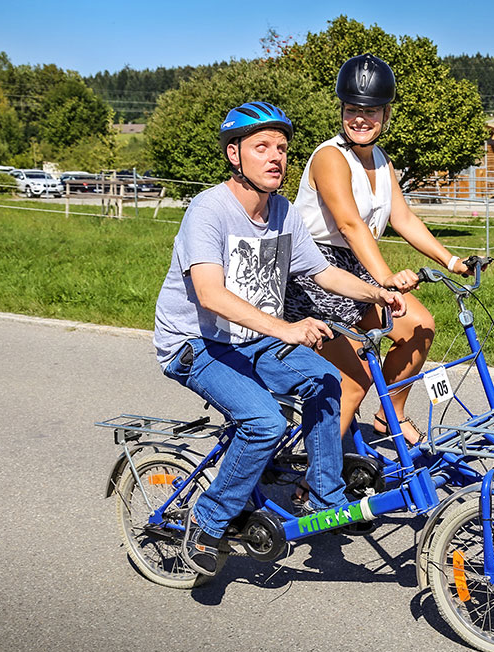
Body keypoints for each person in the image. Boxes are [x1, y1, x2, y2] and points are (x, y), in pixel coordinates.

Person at [153, 101, 405, 576]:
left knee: (325, 383)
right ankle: (207, 521)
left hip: (250, 339)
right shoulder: (209, 209)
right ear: (234, 155)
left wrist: (378, 292)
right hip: (196, 343)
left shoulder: (283, 212)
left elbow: (323, 272)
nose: (276, 157)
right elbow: (210, 294)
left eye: (283, 148)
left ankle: (327, 500)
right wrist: (288, 328)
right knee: (265, 424)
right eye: (261, 147)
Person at [284, 54, 471, 450]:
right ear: (342, 109)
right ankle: (316, 477)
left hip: (356, 264)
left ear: (386, 114)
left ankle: (390, 415)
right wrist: (385, 279)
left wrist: (451, 261)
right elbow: (350, 225)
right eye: (353, 109)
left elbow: (403, 218)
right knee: (353, 379)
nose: (360, 119)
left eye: (370, 111)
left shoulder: (382, 162)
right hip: (316, 271)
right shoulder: (329, 157)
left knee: (419, 327)